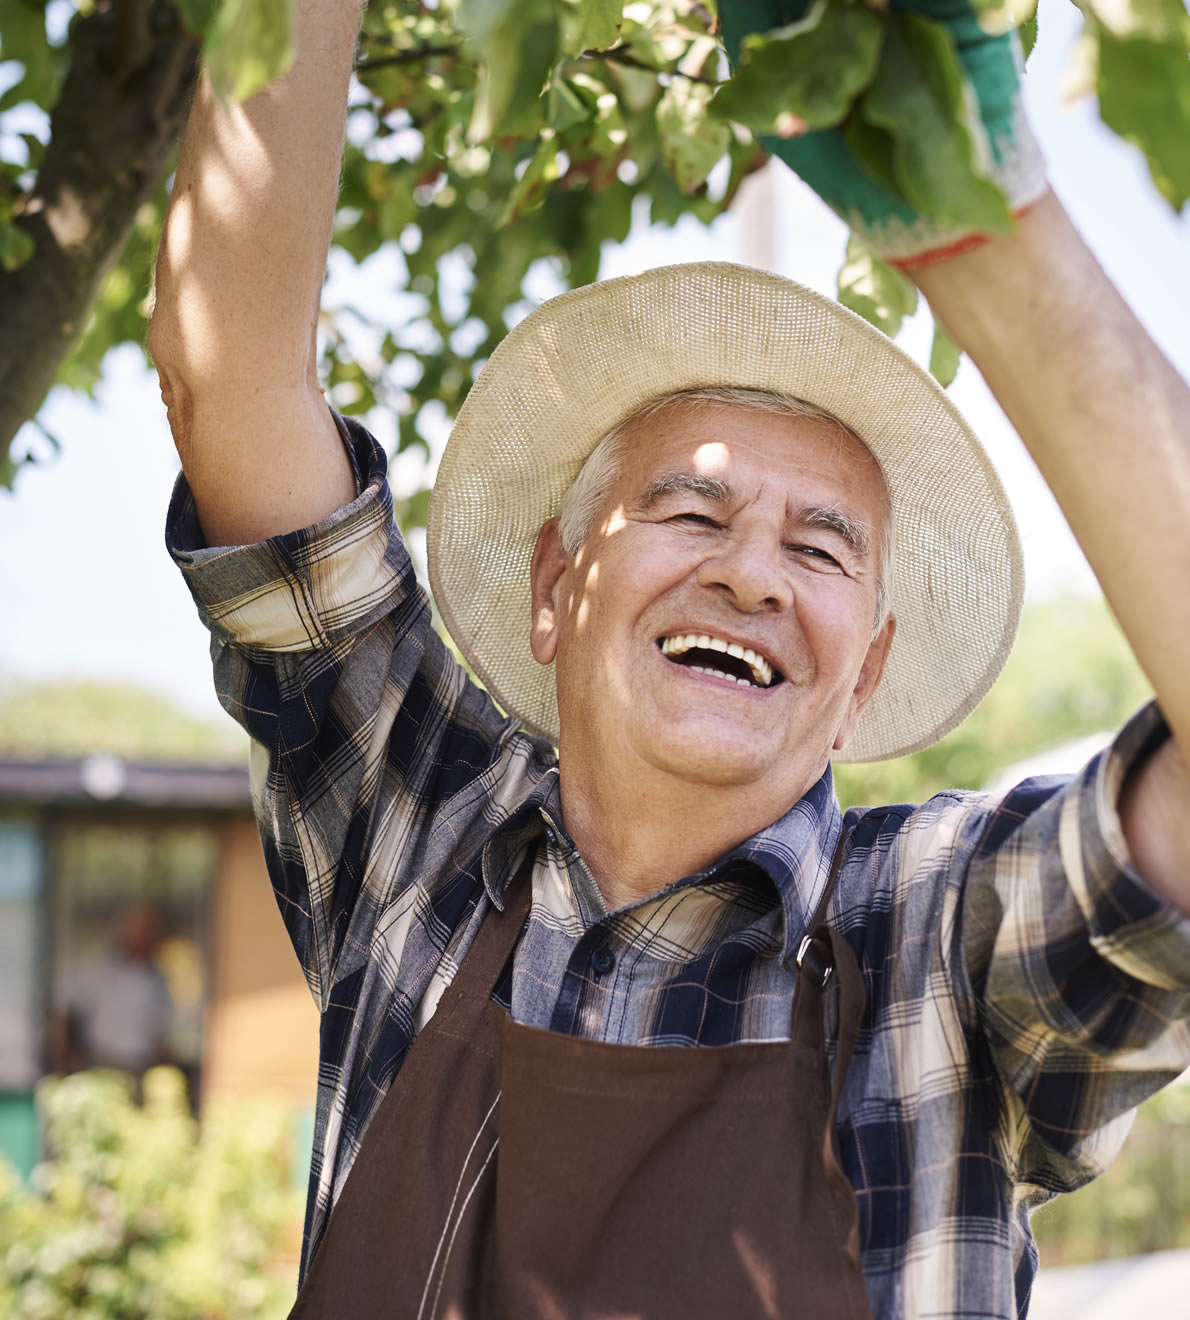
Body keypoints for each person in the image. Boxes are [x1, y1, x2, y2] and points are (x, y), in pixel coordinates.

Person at [150, 0, 1190, 1314]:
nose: (750, 571)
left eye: (820, 552)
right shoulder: (412, 830)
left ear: (859, 678)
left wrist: (998, 241)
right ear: (552, 586)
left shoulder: (944, 936)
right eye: (690, 511)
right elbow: (228, 384)